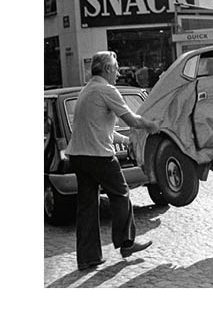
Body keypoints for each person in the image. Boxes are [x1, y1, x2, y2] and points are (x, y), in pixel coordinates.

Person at [66, 51, 160, 271]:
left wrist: (125, 140)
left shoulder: (86, 90)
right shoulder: (107, 90)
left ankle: (88, 258)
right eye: (116, 67)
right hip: (98, 156)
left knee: (87, 207)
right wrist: (151, 126)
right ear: (107, 69)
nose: (119, 72)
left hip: (79, 156)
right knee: (121, 193)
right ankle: (126, 243)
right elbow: (132, 119)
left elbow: (100, 129)